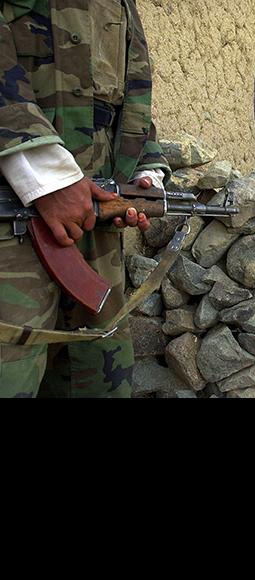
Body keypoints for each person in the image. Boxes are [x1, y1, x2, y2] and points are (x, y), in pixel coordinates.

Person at [0, 0, 170, 398]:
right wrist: (46, 173)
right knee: (12, 369)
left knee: (98, 365)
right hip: (13, 208)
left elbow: (129, 95)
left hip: (94, 213)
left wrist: (144, 169)